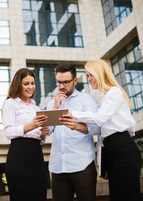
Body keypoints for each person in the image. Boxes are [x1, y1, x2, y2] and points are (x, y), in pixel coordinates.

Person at [60, 60, 143, 201]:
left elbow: (100, 118)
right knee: (119, 196)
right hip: (113, 151)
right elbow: (102, 134)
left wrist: (72, 113)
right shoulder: (104, 97)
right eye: (87, 75)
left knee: (129, 195)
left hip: (123, 148)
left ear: (100, 73)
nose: (89, 79)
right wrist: (102, 164)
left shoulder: (114, 92)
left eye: (91, 74)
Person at [47, 64, 100, 201]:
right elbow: (46, 132)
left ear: (75, 81)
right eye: (59, 82)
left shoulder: (87, 99)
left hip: (82, 165)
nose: (61, 86)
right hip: (58, 168)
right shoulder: (51, 103)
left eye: (66, 82)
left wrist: (76, 126)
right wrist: (55, 108)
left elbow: (98, 128)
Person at [2, 68, 49, 201]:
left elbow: (38, 138)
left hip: (37, 157)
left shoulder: (37, 108)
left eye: (33, 83)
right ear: (18, 84)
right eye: (26, 83)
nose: (30, 87)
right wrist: (32, 126)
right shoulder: (10, 103)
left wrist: (43, 135)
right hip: (19, 158)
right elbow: (8, 132)